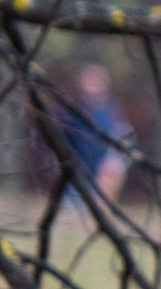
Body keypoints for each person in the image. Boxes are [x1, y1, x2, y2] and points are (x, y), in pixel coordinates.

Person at [53, 64, 133, 205]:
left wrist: (114, 167)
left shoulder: (112, 113)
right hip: (74, 176)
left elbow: (123, 146)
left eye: (96, 82)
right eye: (89, 81)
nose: (92, 86)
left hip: (101, 179)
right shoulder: (71, 111)